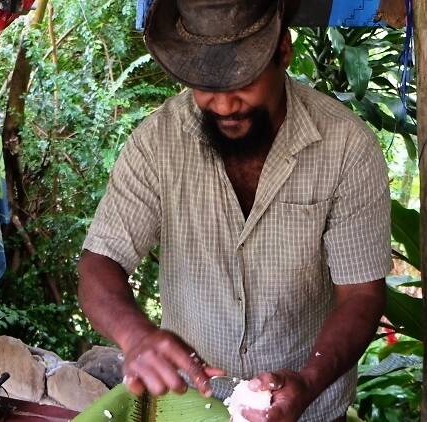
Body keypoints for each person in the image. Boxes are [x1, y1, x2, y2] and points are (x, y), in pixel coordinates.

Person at [76, 0, 392, 421]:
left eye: (243, 81)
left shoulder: (348, 147)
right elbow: (100, 262)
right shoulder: (157, 143)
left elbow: (362, 294)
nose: (224, 105)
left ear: (283, 50)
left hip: (309, 405)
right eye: (206, 86)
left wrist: (309, 381)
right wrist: (136, 336)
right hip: (190, 405)